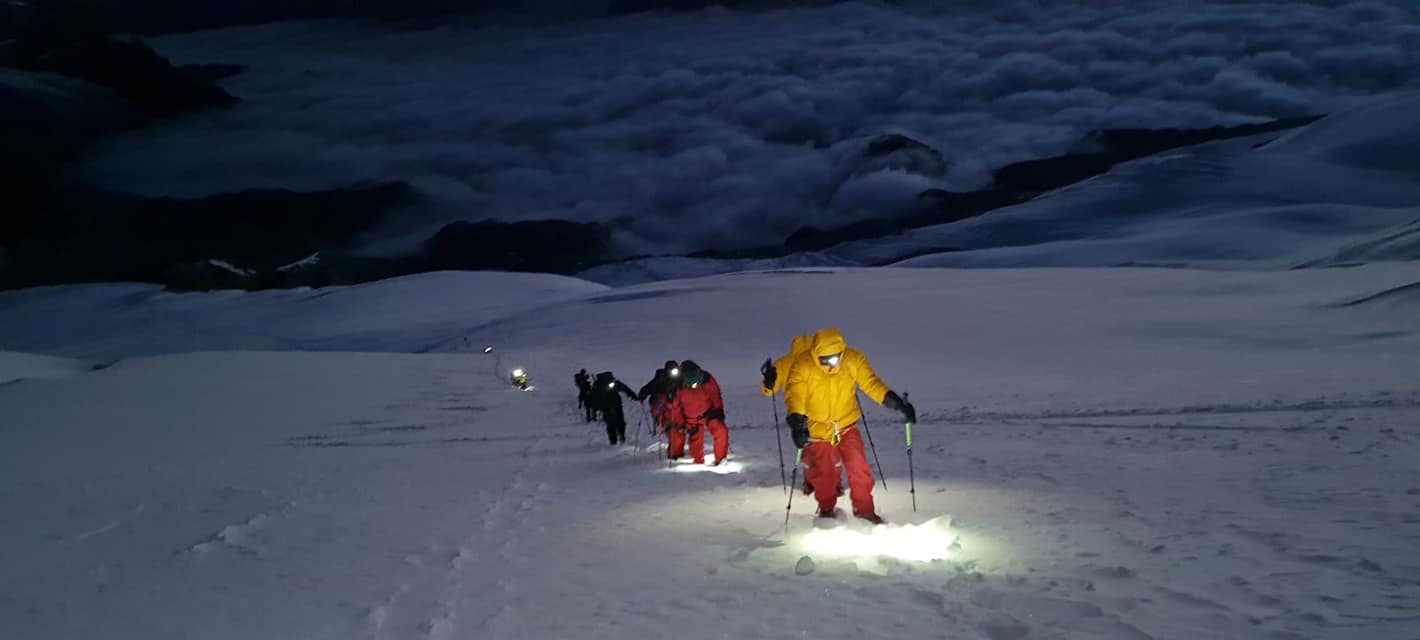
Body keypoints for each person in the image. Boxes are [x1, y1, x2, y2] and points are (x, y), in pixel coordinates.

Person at [784, 328, 915, 524]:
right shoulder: (803, 365)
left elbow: (871, 383)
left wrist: (897, 404)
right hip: (819, 430)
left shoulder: (852, 359)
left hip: (846, 425)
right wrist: (797, 423)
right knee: (825, 475)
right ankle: (827, 509)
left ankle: (865, 510)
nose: (831, 362)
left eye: (835, 357)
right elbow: (796, 394)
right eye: (825, 359)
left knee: (859, 468)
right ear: (815, 354)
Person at [761, 334, 839, 497]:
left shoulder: (785, 362)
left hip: (801, 414)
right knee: (831, 450)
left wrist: (768, 381)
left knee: (808, 451)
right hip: (821, 412)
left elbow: (769, 391)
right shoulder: (821, 359)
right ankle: (833, 484)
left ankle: (812, 483)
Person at [669, 360, 729, 465]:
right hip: (691, 418)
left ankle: (721, 459)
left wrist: (719, 411)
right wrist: (680, 423)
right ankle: (698, 462)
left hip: (709, 413)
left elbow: (715, 395)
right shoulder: (677, 387)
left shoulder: (707, 379)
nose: (695, 386)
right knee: (696, 440)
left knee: (721, 430)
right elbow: (676, 408)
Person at [589, 371, 637, 445]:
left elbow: (592, 398)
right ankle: (621, 436)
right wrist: (634, 396)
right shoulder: (612, 382)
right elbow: (625, 388)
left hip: (606, 407)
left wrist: (596, 408)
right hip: (616, 404)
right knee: (620, 421)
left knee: (611, 424)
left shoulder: (597, 384)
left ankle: (613, 441)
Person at [637, 360, 681, 434]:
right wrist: (642, 395)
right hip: (660, 402)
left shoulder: (679, 379)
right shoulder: (660, 379)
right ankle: (662, 423)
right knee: (661, 402)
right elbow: (648, 387)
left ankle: (676, 423)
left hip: (672, 402)